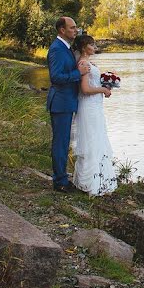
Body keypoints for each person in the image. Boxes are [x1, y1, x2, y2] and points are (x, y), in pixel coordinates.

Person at [46, 17, 89, 193]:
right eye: (72, 28)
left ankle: (62, 177)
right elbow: (56, 77)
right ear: (62, 30)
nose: (75, 30)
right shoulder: (56, 49)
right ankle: (60, 182)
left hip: (67, 101)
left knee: (64, 142)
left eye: (75, 27)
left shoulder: (66, 48)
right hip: (60, 102)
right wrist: (77, 73)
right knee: (61, 143)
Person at [71, 34, 117, 196]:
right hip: (89, 107)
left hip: (95, 106)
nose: (95, 46)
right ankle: (90, 183)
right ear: (84, 47)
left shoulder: (88, 63)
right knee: (91, 142)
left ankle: (100, 179)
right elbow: (85, 89)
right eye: (92, 44)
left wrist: (107, 83)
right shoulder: (83, 63)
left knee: (97, 139)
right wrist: (103, 90)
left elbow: (93, 83)